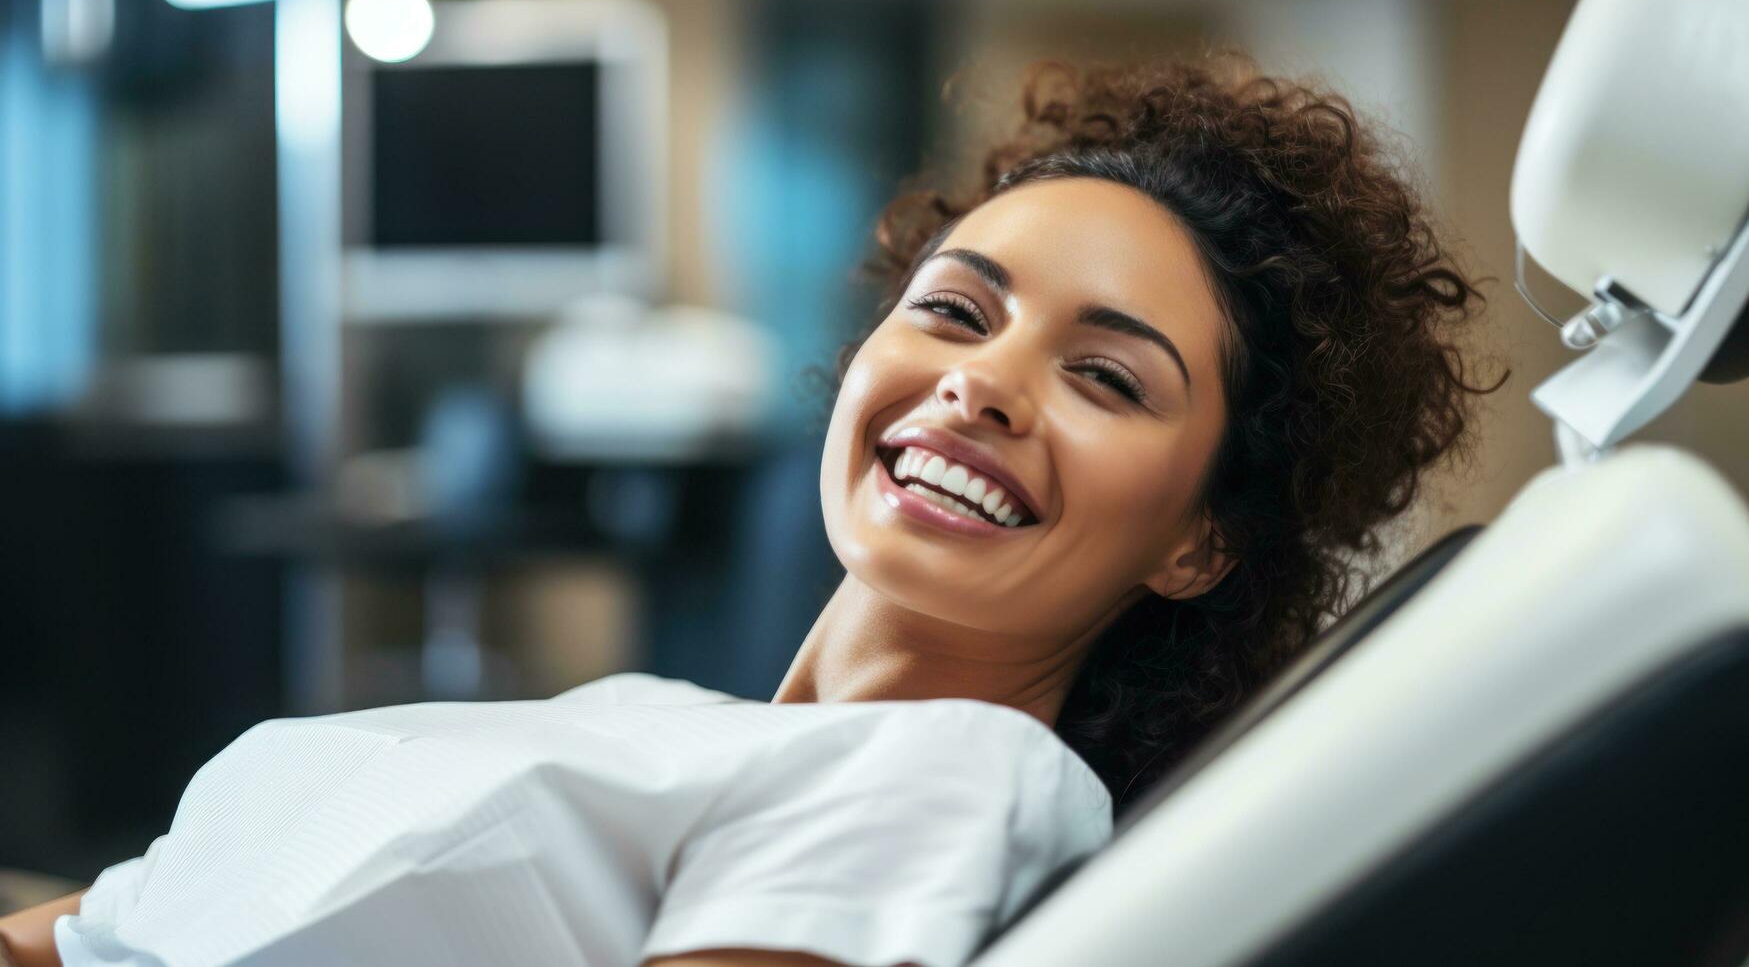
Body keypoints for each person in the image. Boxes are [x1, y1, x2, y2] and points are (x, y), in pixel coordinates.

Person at [0, 55, 1498, 967]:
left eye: (1105, 378)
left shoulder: (949, 776)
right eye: (957, 312)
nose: (982, 387)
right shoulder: (668, 719)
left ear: (1197, 539)